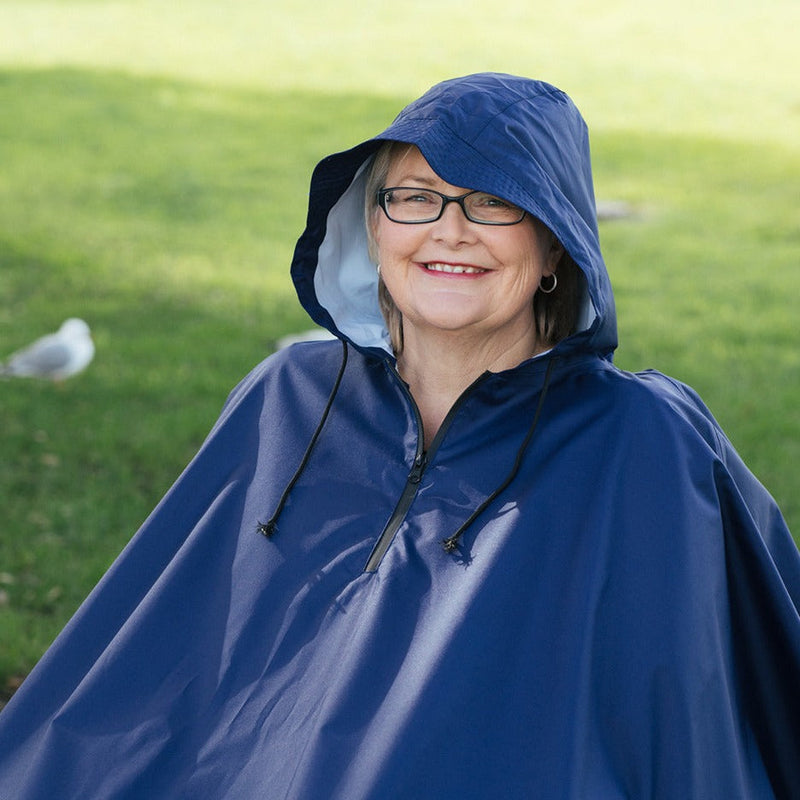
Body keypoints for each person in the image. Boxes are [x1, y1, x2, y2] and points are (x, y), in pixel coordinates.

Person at [0, 72, 798, 799]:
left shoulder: (639, 440)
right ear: (372, 226)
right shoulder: (292, 400)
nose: (449, 231)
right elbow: (149, 661)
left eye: (494, 201)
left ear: (554, 243)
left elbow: (687, 722)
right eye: (414, 197)